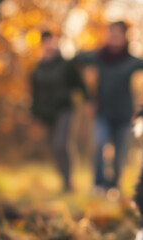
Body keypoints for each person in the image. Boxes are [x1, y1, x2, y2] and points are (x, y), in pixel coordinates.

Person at [76, 21, 143, 191]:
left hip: (124, 114)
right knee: (100, 145)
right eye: (111, 33)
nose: (114, 36)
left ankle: (113, 186)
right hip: (102, 113)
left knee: (120, 153)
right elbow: (78, 58)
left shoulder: (130, 61)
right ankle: (99, 185)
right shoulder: (98, 57)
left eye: (118, 33)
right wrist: (88, 97)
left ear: (124, 37)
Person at [31, 31, 89, 192]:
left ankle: (68, 179)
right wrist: (35, 116)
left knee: (60, 143)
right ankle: (65, 180)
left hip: (65, 109)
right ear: (42, 44)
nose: (49, 44)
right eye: (46, 41)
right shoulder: (38, 69)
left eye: (52, 41)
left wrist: (88, 100)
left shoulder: (66, 65)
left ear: (56, 43)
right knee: (54, 148)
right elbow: (35, 95)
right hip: (46, 114)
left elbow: (80, 84)